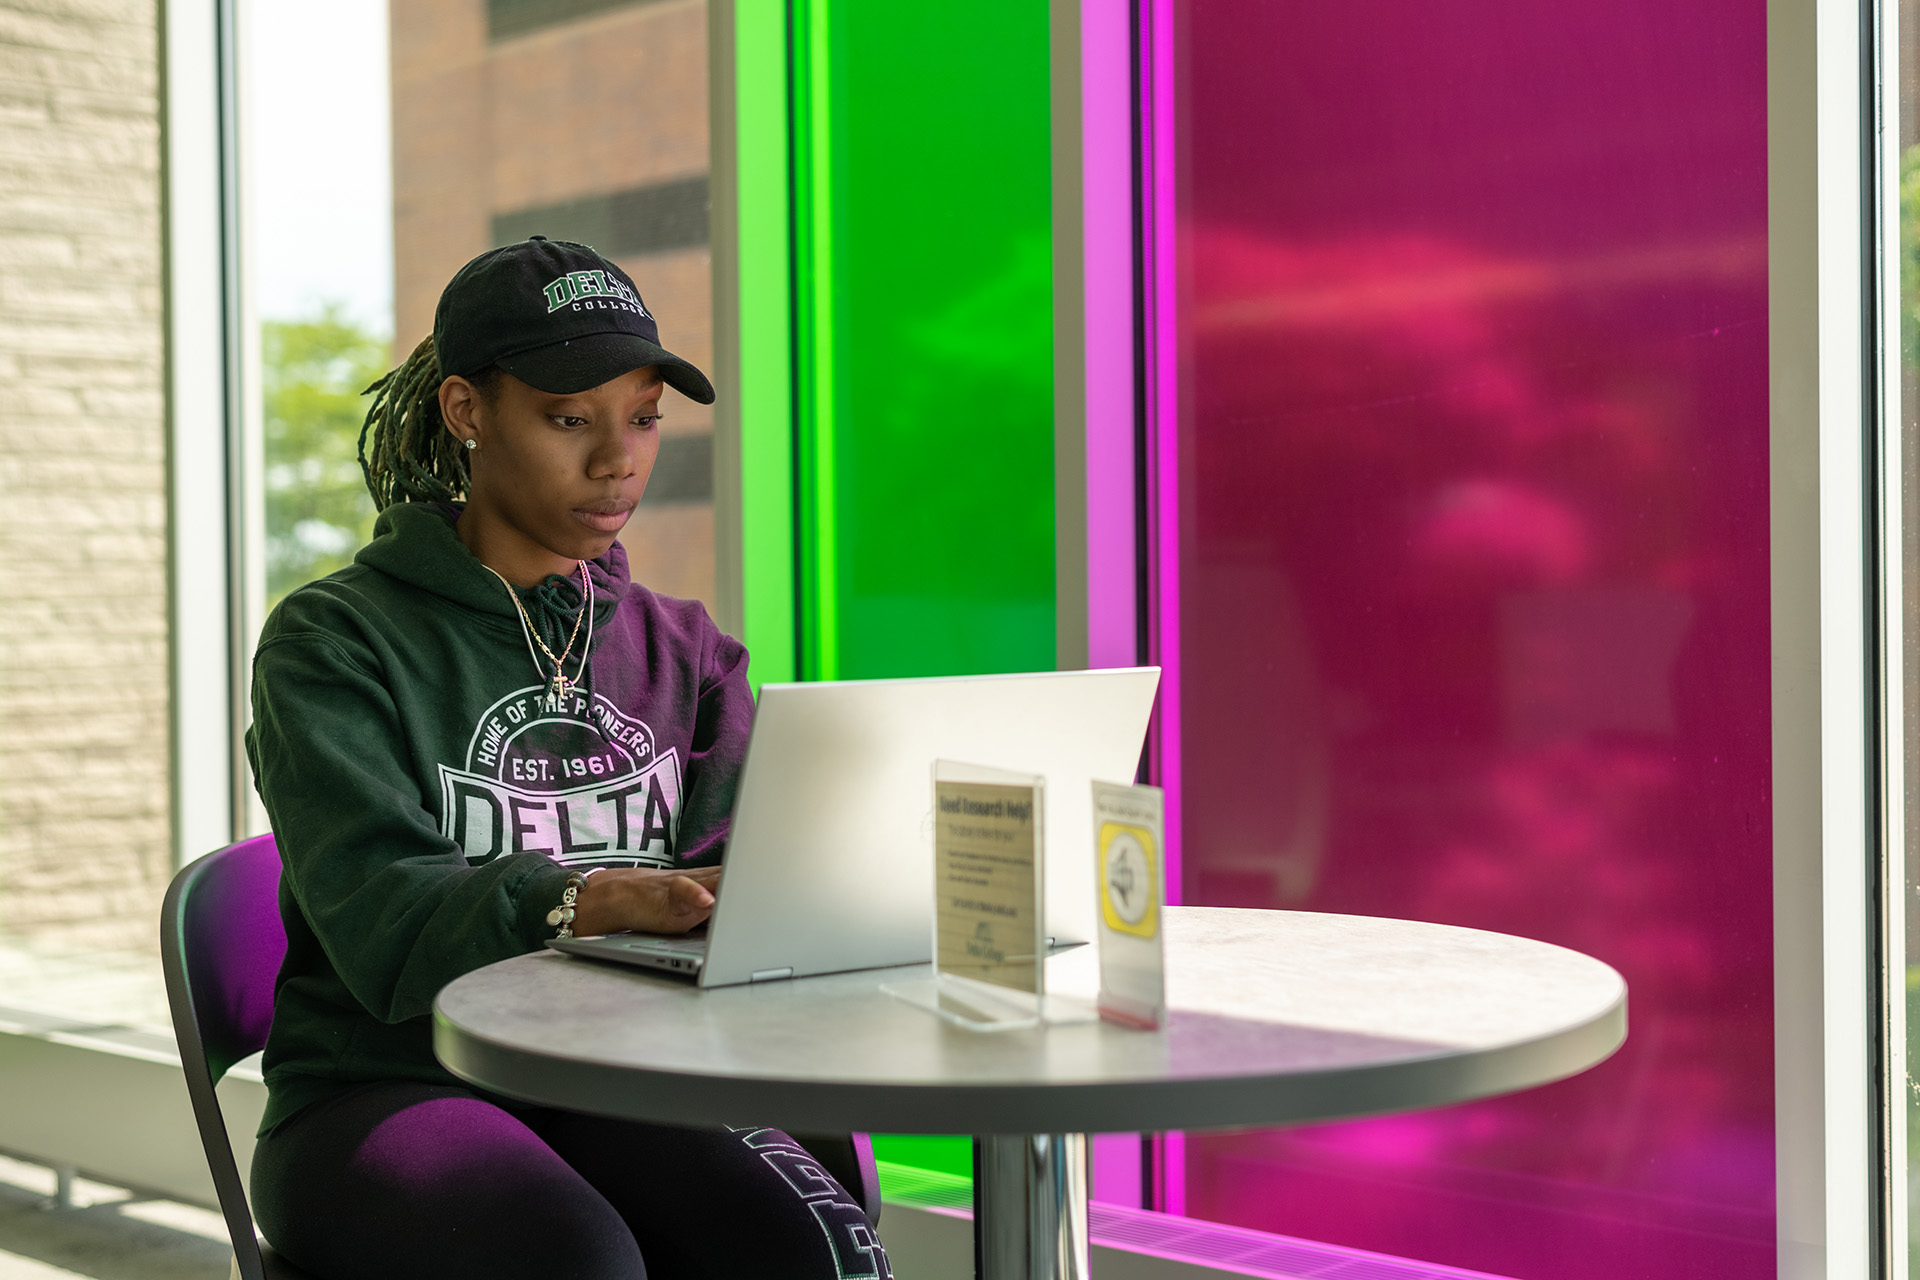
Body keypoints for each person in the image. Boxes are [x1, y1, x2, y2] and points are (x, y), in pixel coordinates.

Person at [243, 237, 892, 1280]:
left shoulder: (686, 650)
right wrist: (594, 899)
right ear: (467, 411)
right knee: (575, 1259)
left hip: (623, 1070)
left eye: (641, 417)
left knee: (816, 1240)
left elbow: (739, 887)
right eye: (567, 417)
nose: (618, 460)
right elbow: (382, 918)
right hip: (394, 1086)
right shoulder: (335, 642)